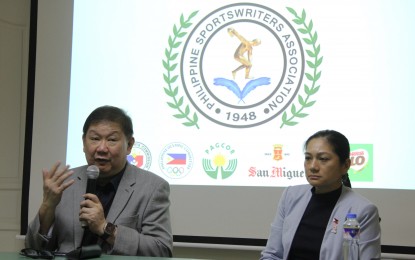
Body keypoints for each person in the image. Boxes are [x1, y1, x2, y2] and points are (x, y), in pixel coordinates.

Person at [25, 105, 173, 257]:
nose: (102, 148)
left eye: (112, 140)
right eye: (95, 139)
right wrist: (47, 208)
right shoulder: (66, 182)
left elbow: (161, 251)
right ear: (84, 142)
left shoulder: (152, 187)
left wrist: (105, 228)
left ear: (129, 145)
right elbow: (32, 248)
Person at [260, 130, 381, 260]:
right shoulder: (291, 196)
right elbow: (272, 254)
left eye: (323, 159)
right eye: (308, 158)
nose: (312, 166)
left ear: (345, 165)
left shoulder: (363, 210)